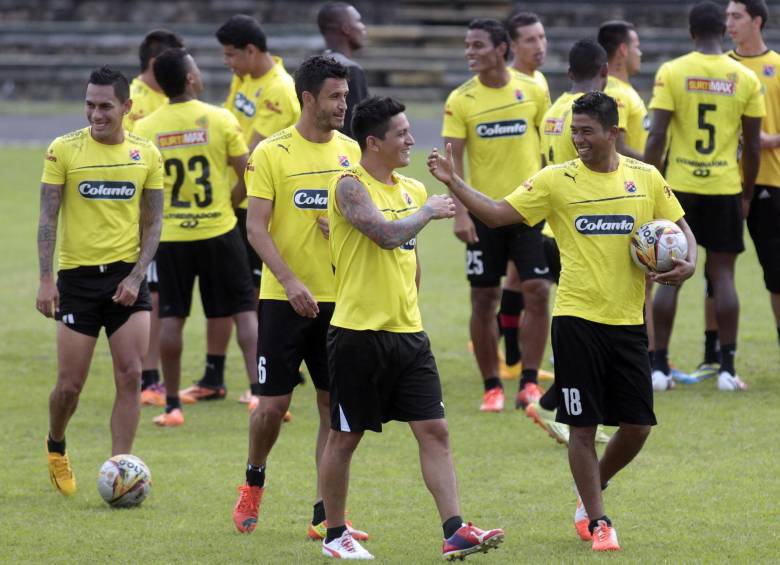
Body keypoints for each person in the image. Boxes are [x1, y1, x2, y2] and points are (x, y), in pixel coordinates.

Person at [429, 91, 696, 551]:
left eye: (587, 131)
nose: (578, 139)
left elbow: (682, 231)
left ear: (613, 133)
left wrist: (687, 264)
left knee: (638, 427)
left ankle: (591, 488)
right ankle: (599, 522)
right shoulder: (555, 180)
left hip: (629, 321)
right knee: (583, 427)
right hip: (576, 321)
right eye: (574, 131)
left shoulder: (646, 178)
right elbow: (495, 215)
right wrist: (455, 182)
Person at [317, 96, 504, 560]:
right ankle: (334, 534)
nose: (411, 140)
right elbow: (385, 235)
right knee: (346, 436)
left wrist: (410, 306)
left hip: (408, 335)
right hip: (358, 334)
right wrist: (428, 213)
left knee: (435, 430)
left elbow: (410, 260)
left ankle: (454, 530)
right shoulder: (348, 186)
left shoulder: (412, 188)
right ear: (373, 142)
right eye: (401, 133)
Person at [231, 55, 366, 541]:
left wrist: (345, 226)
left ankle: (325, 513)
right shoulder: (271, 153)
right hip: (283, 299)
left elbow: (367, 219)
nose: (343, 104)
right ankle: (253, 480)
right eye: (334, 96)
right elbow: (255, 228)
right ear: (307, 98)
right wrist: (289, 281)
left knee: (334, 409)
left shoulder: (352, 152)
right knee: (272, 405)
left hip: (341, 300)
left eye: (345, 96)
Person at [37, 66, 163, 495]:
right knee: (69, 387)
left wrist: (137, 275)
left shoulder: (147, 154)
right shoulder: (63, 150)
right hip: (76, 282)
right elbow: (47, 218)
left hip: (127, 281)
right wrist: (44, 280)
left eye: (105, 106)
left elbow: (154, 222)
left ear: (127, 107)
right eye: (89, 104)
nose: (96, 113)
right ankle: (56, 445)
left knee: (130, 375)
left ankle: (121, 470)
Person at [134, 49, 258, 427]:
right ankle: (261, 395)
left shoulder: (146, 128)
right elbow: (247, 173)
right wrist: (227, 202)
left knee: (172, 317)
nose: (201, 72)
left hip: (171, 237)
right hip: (219, 230)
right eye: (197, 68)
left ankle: (172, 405)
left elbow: (142, 191)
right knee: (244, 310)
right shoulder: (220, 119)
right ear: (190, 79)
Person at [645, 1, 764, 391]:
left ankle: (659, 368)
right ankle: (727, 370)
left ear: (692, 32)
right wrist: (746, 193)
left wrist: (652, 187)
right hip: (724, 187)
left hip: (679, 189)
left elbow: (657, 135)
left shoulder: (672, 72)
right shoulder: (745, 77)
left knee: (669, 277)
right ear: (722, 31)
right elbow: (751, 147)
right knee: (723, 275)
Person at [442, 18, 551, 413]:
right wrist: (460, 214)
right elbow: (451, 166)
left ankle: (529, 382)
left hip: (529, 211)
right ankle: (492, 387)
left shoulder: (535, 90)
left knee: (538, 291)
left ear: (501, 49)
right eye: (467, 45)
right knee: (483, 298)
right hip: (483, 214)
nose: (470, 52)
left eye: (477, 45)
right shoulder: (460, 100)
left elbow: (546, 151)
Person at [210, 15, 301, 406]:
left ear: (251, 50)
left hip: (262, 203)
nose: (227, 62)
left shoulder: (279, 90)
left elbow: (254, 156)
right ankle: (279, 368)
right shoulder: (245, 78)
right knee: (248, 292)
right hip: (242, 198)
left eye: (231, 55)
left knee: (263, 292)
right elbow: (232, 125)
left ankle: (280, 369)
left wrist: (229, 197)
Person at [121, 29, 183, 406]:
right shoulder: (133, 101)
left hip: (170, 216)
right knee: (152, 296)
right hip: (143, 217)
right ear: (157, 64)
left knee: (159, 296)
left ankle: (149, 374)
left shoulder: (166, 98)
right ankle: (149, 376)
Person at [500, 11, 552, 380]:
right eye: (531, 40)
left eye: (543, 38)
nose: (540, 46)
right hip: (509, 200)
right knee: (519, 279)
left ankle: (514, 354)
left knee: (520, 278)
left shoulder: (540, 81)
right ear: (512, 46)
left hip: (538, 195)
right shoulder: (511, 84)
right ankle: (513, 355)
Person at [727, 0, 780, 349]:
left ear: (756, 21)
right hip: (725, 182)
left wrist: (767, 139)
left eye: (736, 16)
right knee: (715, 274)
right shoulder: (719, 67)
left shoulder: (777, 66)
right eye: (726, 17)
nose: (729, 23)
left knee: (776, 274)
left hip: (771, 180)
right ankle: (713, 355)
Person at [317, 2, 369, 138]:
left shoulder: (311, 67)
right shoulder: (349, 70)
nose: (363, 27)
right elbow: (355, 130)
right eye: (358, 21)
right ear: (346, 28)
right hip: (342, 156)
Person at [124, 29, 184, 132]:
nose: (182, 68)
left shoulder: (181, 97)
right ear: (155, 64)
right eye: (175, 63)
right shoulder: (128, 102)